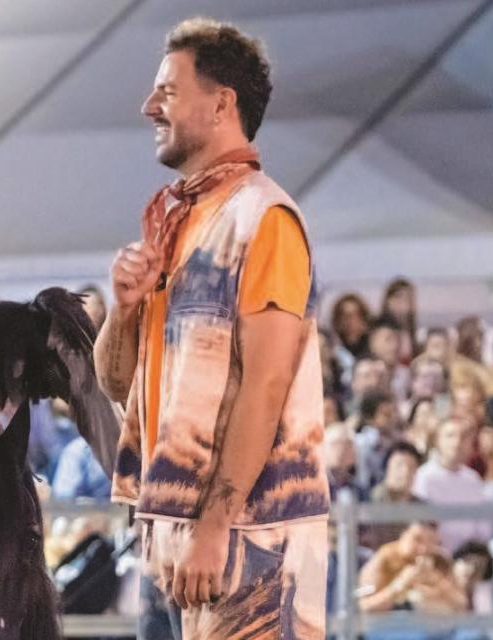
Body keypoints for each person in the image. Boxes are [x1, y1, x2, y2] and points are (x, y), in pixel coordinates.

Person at [95, 18, 328, 637]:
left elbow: (268, 383)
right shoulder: (179, 222)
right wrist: (123, 308)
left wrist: (214, 527)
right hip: (168, 531)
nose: (149, 106)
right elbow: (119, 386)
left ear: (221, 102)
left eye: (167, 91)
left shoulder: (263, 217)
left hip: (245, 539)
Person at [413, 420, 492, 552]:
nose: (456, 442)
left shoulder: (473, 479)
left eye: (462, 437)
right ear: (438, 440)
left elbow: (483, 524)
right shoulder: (424, 477)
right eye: (450, 436)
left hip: (469, 556)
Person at [357, 522, 467, 614]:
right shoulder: (383, 558)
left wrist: (437, 581)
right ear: (404, 534)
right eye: (417, 540)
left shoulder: (440, 559)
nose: (423, 549)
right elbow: (364, 607)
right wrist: (399, 585)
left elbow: (461, 605)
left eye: (431, 542)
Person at [361, 442, 424, 551]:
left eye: (411, 467)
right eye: (399, 465)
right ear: (387, 468)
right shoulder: (371, 500)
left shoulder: (421, 506)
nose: (405, 472)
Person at [354, 388, 401, 491]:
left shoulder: (397, 441)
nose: (393, 419)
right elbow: (363, 479)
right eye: (386, 415)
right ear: (369, 418)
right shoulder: (361, 443)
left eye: (394, 413)